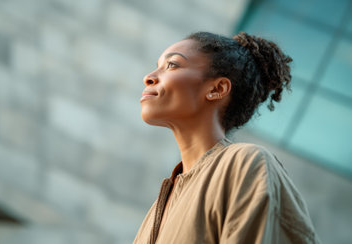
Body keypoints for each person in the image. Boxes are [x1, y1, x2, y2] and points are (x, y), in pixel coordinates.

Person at [133, 32, 320, 244]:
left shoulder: (247, 164)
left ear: (217, 89)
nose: (149, 76)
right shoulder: (159, 206)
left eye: (172, 65)